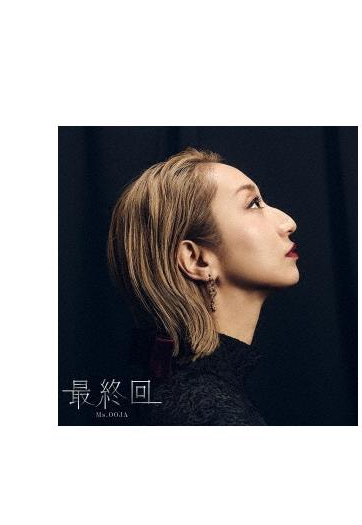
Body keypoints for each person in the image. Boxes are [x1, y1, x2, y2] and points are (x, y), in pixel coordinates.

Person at [106, 147, 299, 425]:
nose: (288, 223)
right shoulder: (212, 415)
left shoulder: (182, 395)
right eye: (253, 204)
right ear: (196, 259)